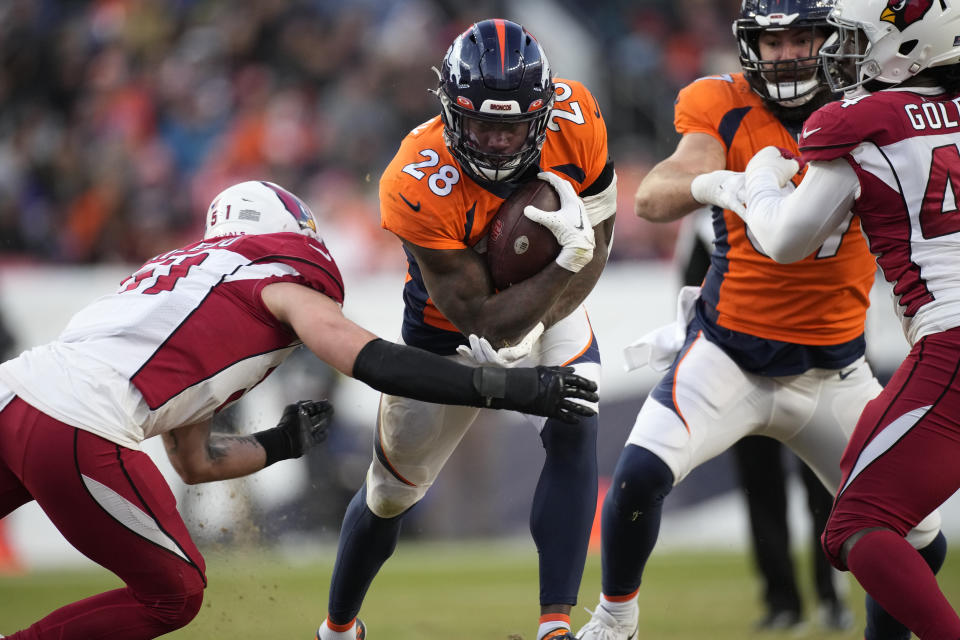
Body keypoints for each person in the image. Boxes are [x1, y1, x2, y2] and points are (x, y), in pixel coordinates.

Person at [0, 180, 599, 640]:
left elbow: (195, 461)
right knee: (175, 593)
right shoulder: (276, 276)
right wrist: (512, 388)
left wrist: (281, 443)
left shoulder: (175, 279)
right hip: (74, 421)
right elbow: (373, 362)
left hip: (13, 396)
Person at [575, 1, 945, 638]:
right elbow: (656, 194)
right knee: (637, 478)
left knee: (916, 540)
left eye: (803, 37)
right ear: (751, 46)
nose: (789, 54)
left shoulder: (866, 110)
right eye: (774, 42)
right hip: (729, 355)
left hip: (833, 367)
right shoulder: (722, 101)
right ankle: (614, 621)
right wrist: (716, 184)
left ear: (835, 41)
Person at [316, 18, 616, 640]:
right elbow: (478, 318)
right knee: (390, 493)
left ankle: (555, 624)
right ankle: (338, 628)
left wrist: (549, 312)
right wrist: (562, 263)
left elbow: (598, 241)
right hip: (447, 335)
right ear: (452, 113)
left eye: (512, 127)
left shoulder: (577, 117)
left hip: (549, 303)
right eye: (482, 125)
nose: (500, 143)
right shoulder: (414, 179)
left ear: (542, 113)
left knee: (575, 422)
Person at [724, 0, 960, 635]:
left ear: (910, 45)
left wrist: (756, 181)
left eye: (855, 40)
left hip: (954, 345)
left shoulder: (865, 121)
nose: (837, 53)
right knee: (888, 517)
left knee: (856, 527)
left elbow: (784, 240)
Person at [674, 206, 852, 630]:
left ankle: (831, 598)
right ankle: (783, 602)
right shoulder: (708, 223)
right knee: (763, 489)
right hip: (744, 373)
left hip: (812, 369)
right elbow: (689, 297)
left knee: (824, 490)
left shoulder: (810, 203)